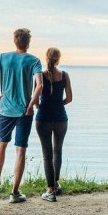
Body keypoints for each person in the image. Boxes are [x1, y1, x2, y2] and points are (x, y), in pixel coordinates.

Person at [0, 28, 42, 203]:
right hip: (24, 111)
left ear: (15, 41)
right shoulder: (34, 61)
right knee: (20, 150)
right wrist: (31, 104)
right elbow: (40, 85)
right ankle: (14, 193)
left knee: (2, 144)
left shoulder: (3, 57)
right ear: (28, 42)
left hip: (5, 109)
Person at [27, 46, 72, 202]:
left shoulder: (40, 76)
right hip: (61, 119)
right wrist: (58, 104)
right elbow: (69, 98)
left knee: (47, 156)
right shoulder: (64, 75)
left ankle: (50, 190)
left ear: (46, 58)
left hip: (43, 119)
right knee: (57, 152)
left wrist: (39, 106)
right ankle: (56, 184)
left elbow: (35, 98)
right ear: (58, 59)